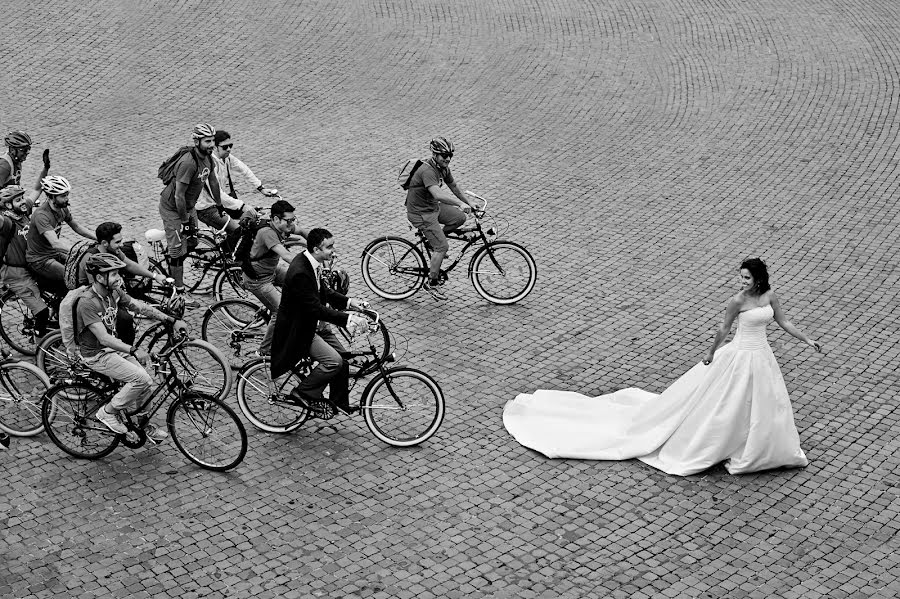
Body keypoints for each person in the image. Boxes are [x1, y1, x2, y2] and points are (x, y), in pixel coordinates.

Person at [503, 258, 823, 477]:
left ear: (759, 278)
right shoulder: (737, 301)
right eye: (741, 278)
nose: (741, 282)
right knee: (727, 404)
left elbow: (782, 321)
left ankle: (761, 449)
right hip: (738, 355)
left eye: (746, 278)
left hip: (761, 356)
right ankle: (737, 447)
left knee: (765, 403)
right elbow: (723, 330)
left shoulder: (769, 295)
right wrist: (711, 354)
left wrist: (807, 339)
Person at [73, 253, 187, 441]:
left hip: (113, 349)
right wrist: (133, 350)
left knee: (146, 382)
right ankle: (107, 412)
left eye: (118, 273)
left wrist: (171, 320)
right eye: (114, 274)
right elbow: (103, 338)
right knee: (141, 379)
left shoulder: (114, 293)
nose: (119, 278)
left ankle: (143, 425)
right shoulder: (87, 303)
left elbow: (139, 307)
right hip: (96, 354)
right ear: (100, 278)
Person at [270, 228, 368, 414]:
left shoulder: (311, 263)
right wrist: (348, 319)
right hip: (300, 329)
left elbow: (324, 292)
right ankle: (303, 392)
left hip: (312, 325)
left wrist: (349, 302)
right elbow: (314, 309)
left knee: (344, 359)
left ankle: (338, 403)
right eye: (329, 247)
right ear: (316, 249)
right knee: (333, 362)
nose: (333, 250)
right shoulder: (300, 272)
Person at [405, 136, 478, 300]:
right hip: (420, 213)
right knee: (442, 247)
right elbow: (437, 193)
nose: (448, 159)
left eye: (450, 155)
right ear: (435, 155)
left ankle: (434, 242)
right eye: (444, 155)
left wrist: (470, 203)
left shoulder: (443, 168)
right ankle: (431, 283)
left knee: (459, 218)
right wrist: (459, 203)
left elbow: (454, 187)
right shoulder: (428, 171)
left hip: (432, 207)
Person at [158, 123, 222, 291]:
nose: (212, 145)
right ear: (197, 142)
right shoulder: (188, 163)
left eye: (213, 140)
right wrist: (185, 222)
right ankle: (178, 291)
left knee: (192, 242)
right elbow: (178, 196)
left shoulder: (208, 157)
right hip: (173, 208)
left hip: (188, 206)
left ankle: (173, 256)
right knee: (178, 252)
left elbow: (213, 180)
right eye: (207, 141)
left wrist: (219, 204)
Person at [241, 199, 308, 356]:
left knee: (300, 283)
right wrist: (310, 263)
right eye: (288, 220)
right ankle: (264, 351)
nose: (291, 224)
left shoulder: (283, 225)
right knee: (281, 312)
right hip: (258, 280)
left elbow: (303, 232)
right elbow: (286, 256)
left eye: (293, 219)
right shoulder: (268, 233)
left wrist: (320, 245)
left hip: (271, 271)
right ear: (276, 219)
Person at [25, 175, 96, 287]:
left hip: (54, 253)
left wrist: (98, 238)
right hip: (40, 260)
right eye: (63, 196)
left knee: (87, 267)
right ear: (52, 197)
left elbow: (76, 226)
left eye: (67, 194)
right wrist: (78, 251)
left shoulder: (62, 208)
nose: (67, 198)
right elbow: (55, 243)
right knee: (75, 278)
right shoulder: (41, 215)